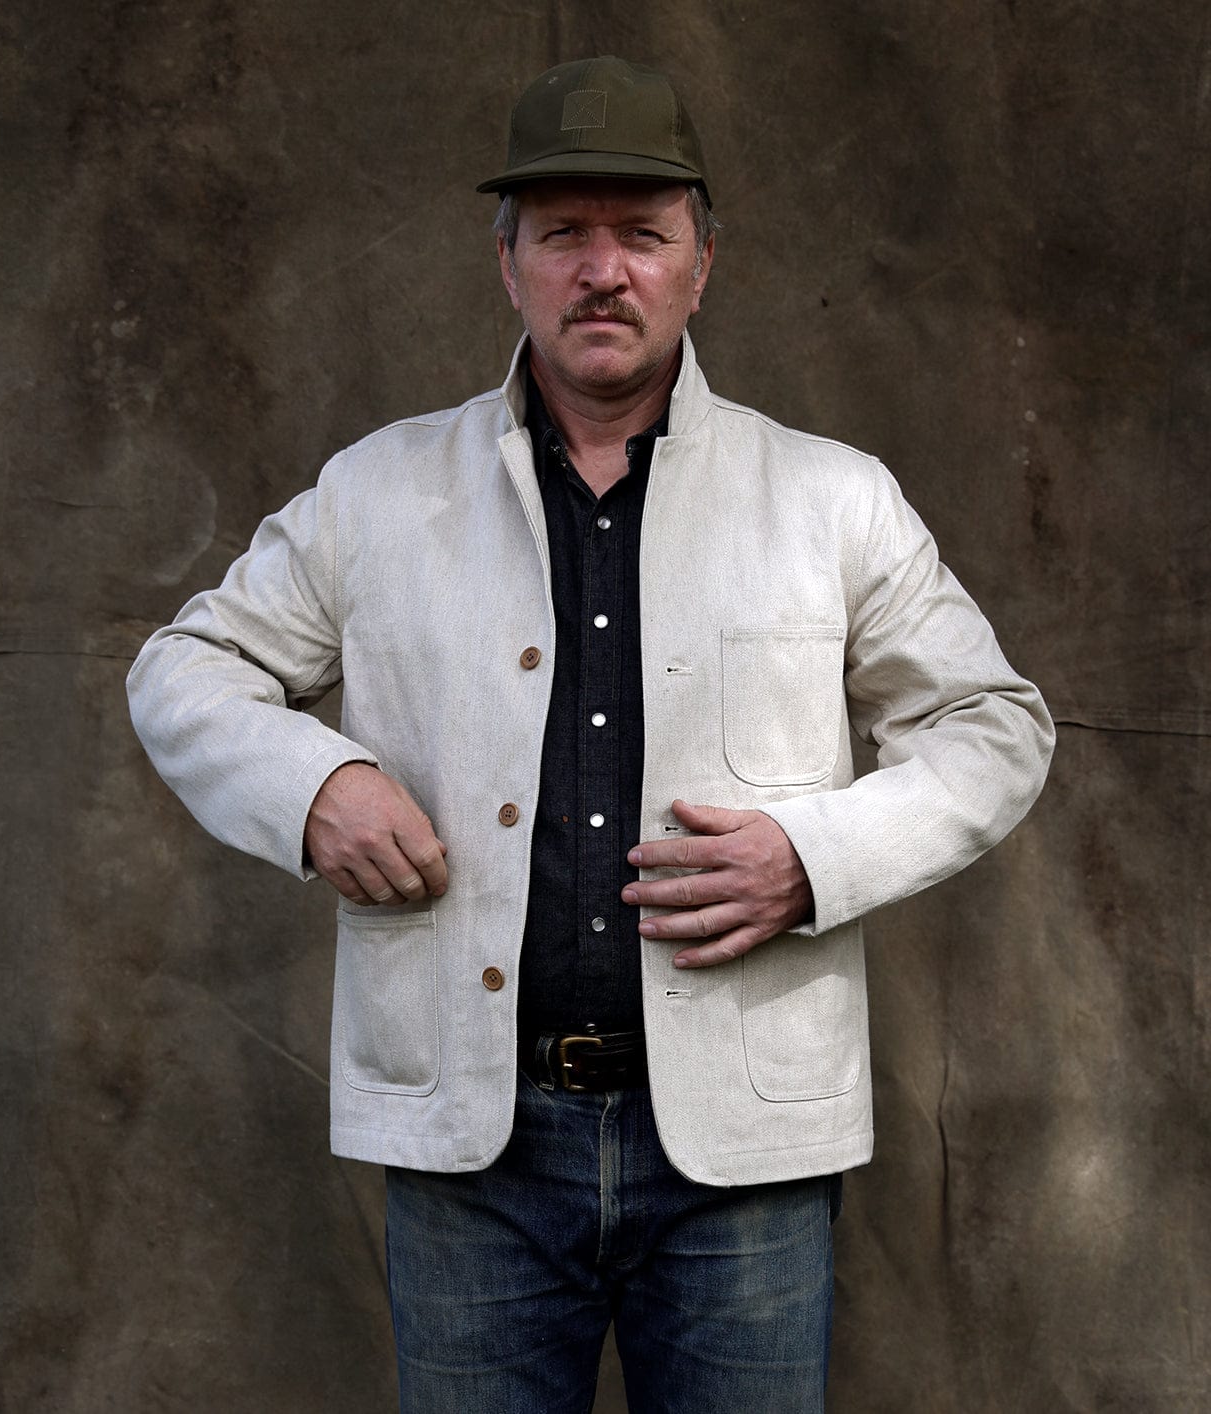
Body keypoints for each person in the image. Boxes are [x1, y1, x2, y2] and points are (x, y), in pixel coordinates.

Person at [128, 55, 1053, 1413]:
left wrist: (815, 853)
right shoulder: (377, 493)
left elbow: (996, 725)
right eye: (564, 233)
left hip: (746, 1156)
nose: (602, 269)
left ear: (703, 261)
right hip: (473, 1153)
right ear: (508, 265)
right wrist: (312, 779)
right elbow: (183, 668)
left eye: (642, 233)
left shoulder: (832, 499)